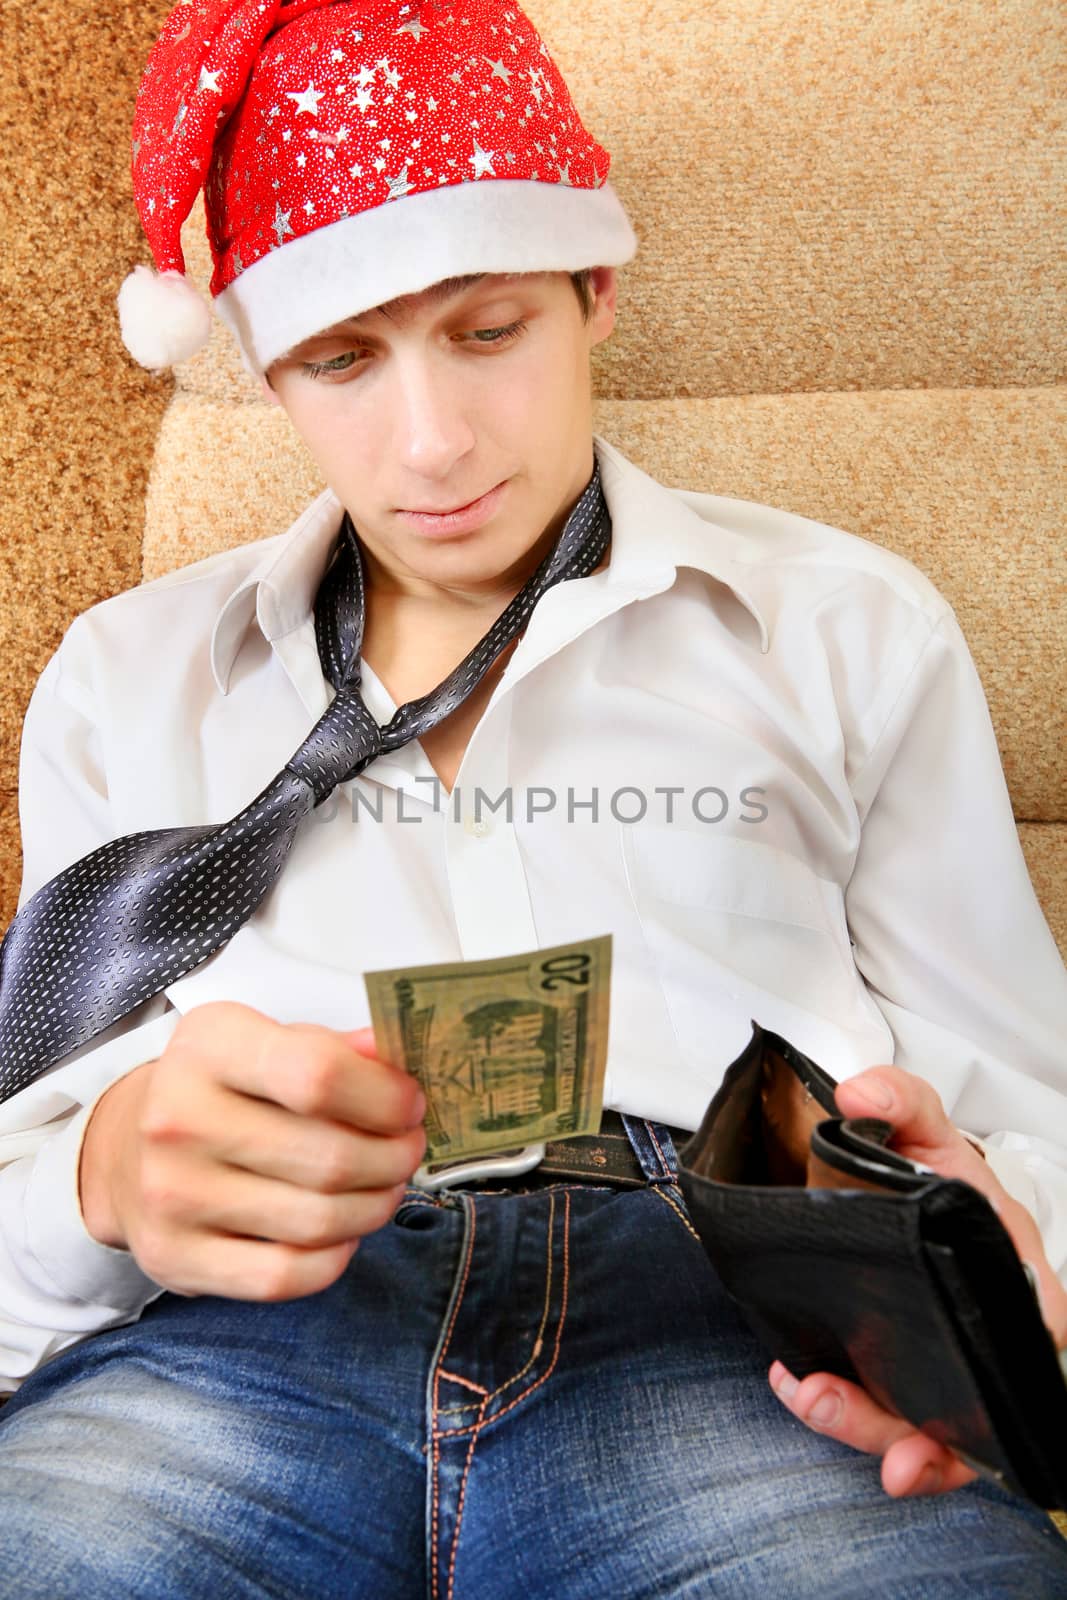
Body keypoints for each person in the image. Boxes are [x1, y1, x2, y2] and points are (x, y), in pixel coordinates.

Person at [0, 0, 1064, 1593]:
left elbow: (1024, 1093)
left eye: (490, 331)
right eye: (341, 360)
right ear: (270, 376)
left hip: (731, 1331)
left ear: (597, 291)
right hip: (234, 1341)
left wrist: (1004, 1275)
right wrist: (100, 1178)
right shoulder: (124, 678)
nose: (430, 443)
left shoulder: (849, 624)